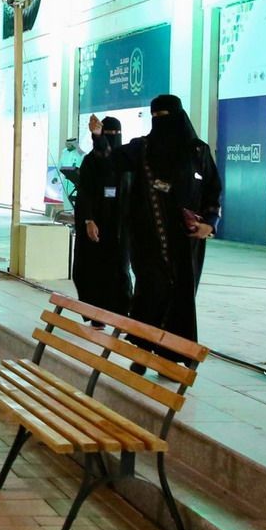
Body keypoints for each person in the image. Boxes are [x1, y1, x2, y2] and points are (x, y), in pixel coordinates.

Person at [89, 95, 221, 368]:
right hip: (149, 241)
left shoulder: (198, 151)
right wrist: (99, 137)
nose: (160, 122)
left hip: (187, 244)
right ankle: (144, 351)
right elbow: (109, 161)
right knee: (151, 294)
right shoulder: (142, 148)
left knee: (181, 296)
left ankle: (173, 356)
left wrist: (209, 223)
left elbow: (213, 190)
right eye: (155, 117)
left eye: (165, 116)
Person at [72, 117, 131, 320]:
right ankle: (95, 315)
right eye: (109, 135)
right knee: (93, 271)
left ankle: (121, 315)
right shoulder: (91, 161)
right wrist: (88, 219)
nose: (113, 138)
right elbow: (85, 193)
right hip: (96, 226)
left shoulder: (126, 161)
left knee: (120, 271)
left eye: (116, 134)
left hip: (120, 228)